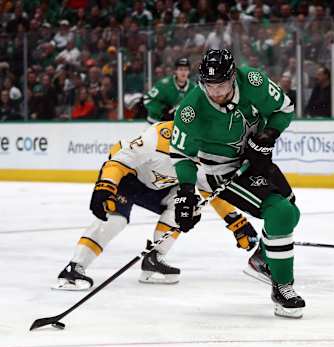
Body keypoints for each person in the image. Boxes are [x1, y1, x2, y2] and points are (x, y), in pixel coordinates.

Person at [170, 49, 305, 318]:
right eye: (210, 86)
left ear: (233, 77)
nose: (216, 92)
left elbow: (284, 109)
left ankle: (261, 259)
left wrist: (267, 135)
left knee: (290, 212)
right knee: (280, 212)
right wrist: (185, 193)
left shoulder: (253, 81)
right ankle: (282, 288)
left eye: (221, 85)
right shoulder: (190, 109)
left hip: (254, 160)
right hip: (220, 171)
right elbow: (181, 155)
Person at [55, 120, 259, 290]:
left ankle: (154, 258)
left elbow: (210, 191)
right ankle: (74, 269)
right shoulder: (158, 137)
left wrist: (237, 224)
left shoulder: (210, 156)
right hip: (129, 179)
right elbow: (119, 160)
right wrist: (105, 186)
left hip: (160, 189)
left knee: (188, 206)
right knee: (115, 220)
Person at [143, 57, 196, 124]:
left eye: (186, 69)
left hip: (178, 125)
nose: (183, 72)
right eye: (180, 69)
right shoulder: (163, 85)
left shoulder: (193, 88)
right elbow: (147, 99)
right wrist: (162, 110)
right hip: (155, 122)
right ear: (175, 71)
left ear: (189, 71)